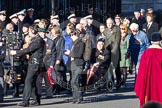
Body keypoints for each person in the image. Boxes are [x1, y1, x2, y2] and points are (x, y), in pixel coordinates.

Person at [10, 25, 45, 107]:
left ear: (33, 31)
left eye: (30, 31)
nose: (29, 33)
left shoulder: (38, 40)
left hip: (35, 64)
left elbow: (29, 49)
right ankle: (36, 100)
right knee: (31, 82)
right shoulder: (36, 40)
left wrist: (16, 52)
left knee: (28, 81)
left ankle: (25, 101)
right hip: (33, 63)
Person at [134, 32, 162, 107]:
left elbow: (141, 72)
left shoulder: (146, 54)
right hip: (160, 84)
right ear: (160, 41)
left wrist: (141, 85)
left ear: (151, 41)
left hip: (148, 84)